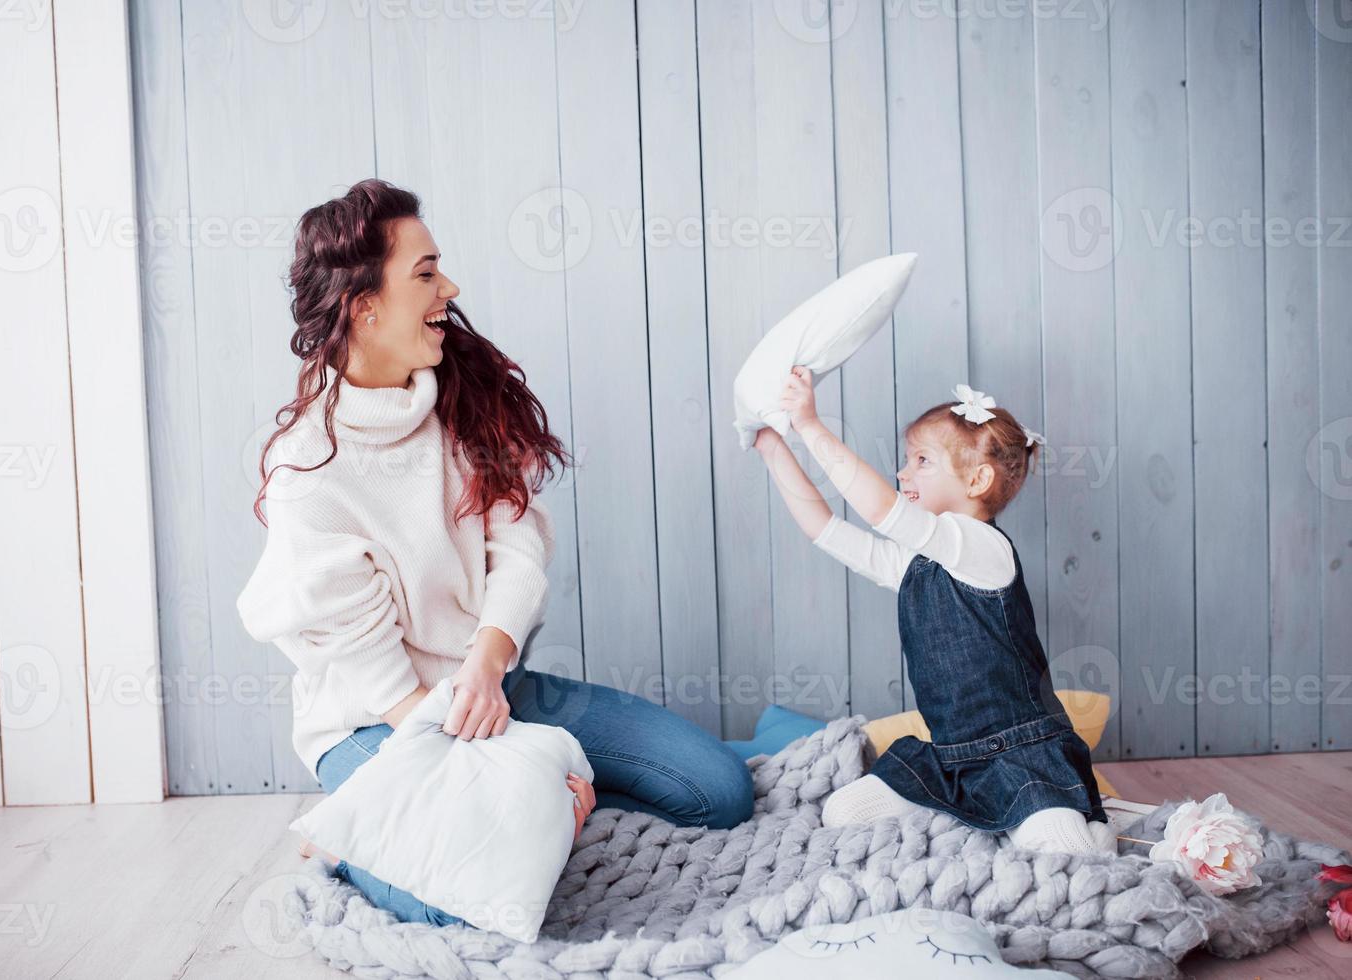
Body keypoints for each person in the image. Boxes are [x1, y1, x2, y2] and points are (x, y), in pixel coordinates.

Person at [236, 178, 754, 927]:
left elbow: (518, 540)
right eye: (424, 274)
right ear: (363, 305)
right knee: (453, 906)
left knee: (720, 791)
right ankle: (352, 835)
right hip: (382, 719)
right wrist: (521, 768)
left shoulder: (457, 403)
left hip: (487, 684)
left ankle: (540, 816)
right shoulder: (309, 471)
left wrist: (486, 663)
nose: (449, 286)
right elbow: (378, 674)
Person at [754, 369, 1112, 856]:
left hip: (1020, 755)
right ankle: (984, 821)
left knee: (1064, 853)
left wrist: (811, 426)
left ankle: (1075, 822)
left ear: (978, 480)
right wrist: (774, 447)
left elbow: (883, 511)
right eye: (907, 461)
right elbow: (824, 528)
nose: (903, 473)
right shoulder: (916, 566)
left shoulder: (981, 546)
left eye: (921, 461)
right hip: (949, 760)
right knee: (843, 813)